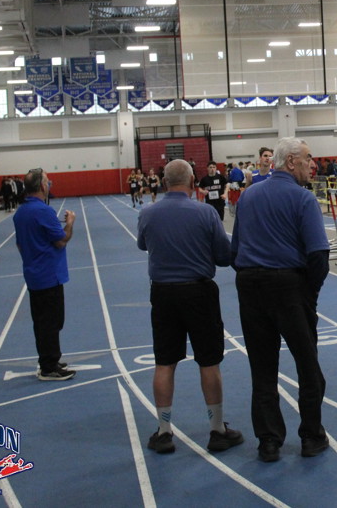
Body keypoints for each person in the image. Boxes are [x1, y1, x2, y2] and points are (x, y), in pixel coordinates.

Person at [232, 137, 330, 463]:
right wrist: (309, 293)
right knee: (308, 366)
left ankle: (269, 441)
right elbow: (318, 254)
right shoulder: (303, 199)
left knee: (262, 369)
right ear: (290, 161)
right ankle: (311, 436)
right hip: (289, 286)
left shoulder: (248, 196)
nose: (312, 164)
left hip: (250, 286)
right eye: (308, 158)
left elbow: (235, 250)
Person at [137, 159, 243, 455]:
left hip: (163, 294)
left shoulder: (148, 213)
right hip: (199, 293)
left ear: (164, 182)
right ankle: (217, 430)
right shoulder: (205, 212)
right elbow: (223, 257)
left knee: (164, 362)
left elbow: (142, 245)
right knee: (209, 361)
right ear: (193, 180)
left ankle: (164, 431)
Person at [13, 168, 76, 381]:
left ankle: (49, 360)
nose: (50, 185)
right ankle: (49, 366)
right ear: (41, 186)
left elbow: (20, 245)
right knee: (51, 322)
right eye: (48, 181)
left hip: (34, 274)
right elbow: (61, 240)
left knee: (42, 321)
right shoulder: (44, 211)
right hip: (49, 275)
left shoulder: (20, 212)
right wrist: (70, 222)